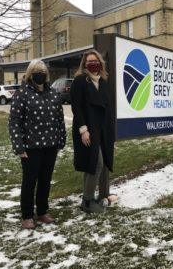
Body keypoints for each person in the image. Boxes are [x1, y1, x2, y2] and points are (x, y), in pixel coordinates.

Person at [9, 60, 66, 229]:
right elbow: (14, 122)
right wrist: (18, 146)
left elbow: (59, 119)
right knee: (29, 181)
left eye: (42, 71)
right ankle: (27, 216)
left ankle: (42, 212)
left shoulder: (53, 93)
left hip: (50, 145)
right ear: (30, 73)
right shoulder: (22, 94)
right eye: (36, 71)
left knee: (45, 180)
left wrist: (61, 140)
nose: (39, 74)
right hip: (30, 147)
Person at [70, 49, 116, 214]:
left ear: (100, 63)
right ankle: (88, 201)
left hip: (101, 130)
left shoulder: (102, 82)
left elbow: (107, 107)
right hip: (87, 129)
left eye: (95, 61)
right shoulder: (80, 81)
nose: (93, 64)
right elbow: (77, 107)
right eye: (89, 62)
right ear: (85, 64)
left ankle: (86, 199)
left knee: (91, 164)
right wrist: (83, 130)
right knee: (97, 163)